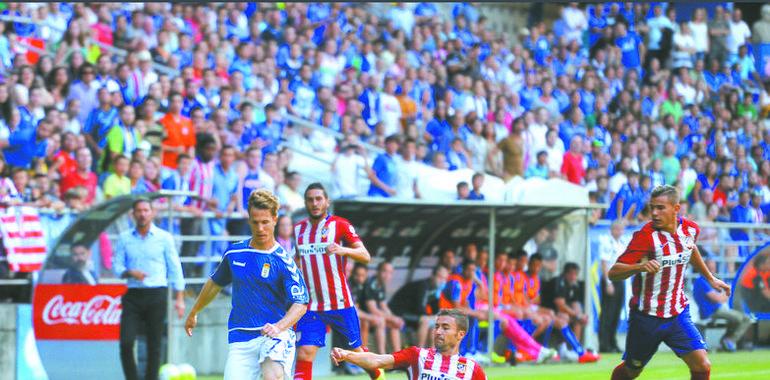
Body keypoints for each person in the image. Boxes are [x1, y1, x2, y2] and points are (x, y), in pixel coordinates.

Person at [609, 185, 731, 380]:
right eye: (652, 208)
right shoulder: (645, 237)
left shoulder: (690, 229)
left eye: (660, 208)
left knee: (702, 364)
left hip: (677, 313)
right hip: (646, 317)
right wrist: (639, 267)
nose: (654, 213)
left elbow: (690, 249)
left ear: (676, 208)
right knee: (632, 370)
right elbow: (613, 273)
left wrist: (710, 277)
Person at [185, 189, 308, 380]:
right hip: (240, 337)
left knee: (271, 376)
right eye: (255, 222)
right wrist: (194, 311)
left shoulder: (284, 261)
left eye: (265, 222)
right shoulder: (234, 253)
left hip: (275, 335)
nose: (260, 228)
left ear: (275, 219)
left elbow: (300, 304)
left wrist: (279, 327)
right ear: (249, 220)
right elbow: (214, 284)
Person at [292, 183, 383, 380]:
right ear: (305, 203)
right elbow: (297, 260)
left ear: (327, 201)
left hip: (340, 302)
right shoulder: (298, 230)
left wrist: (343, 250)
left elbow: (365, 255)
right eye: (310, 199)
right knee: (305, 353)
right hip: (311, 306)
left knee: (358, 353)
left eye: (319, 199)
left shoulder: (340, 224)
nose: (315, 203)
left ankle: (378, 375)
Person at [113, 198, 186, 380]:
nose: (143, 214)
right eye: (139, 210)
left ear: (152, 213)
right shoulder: (124, 238)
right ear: (133, 214)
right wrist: (130, 272)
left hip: (157, 293)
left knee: (155, 344)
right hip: (134, 294)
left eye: (146, 210)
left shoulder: (164, 238)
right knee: (126, 342)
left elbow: (175, 268)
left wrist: (179, 298)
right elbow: (116, 266)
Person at [331, 309, 487, 380]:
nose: (438, 331)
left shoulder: (472, 370)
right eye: (437, 326)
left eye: (445, 328)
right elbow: (376, 360)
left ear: (461, 334)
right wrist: (346, 355)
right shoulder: (417, 355)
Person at [693, 256, 753, 352]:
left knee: (745, 319)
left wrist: (725, 293)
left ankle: (728, 340)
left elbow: (720, 298)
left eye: (713, 267)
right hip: (711, 312)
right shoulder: (701, 281)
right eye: (710, 267)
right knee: (741, 318)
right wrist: (729, 290)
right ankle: (729, 341)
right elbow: (718, 299)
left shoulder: (711, 280)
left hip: (718, 310)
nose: (712, 270)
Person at [388, 265, 448, 347]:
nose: (442, 281)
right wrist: (432, 317)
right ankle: (419, 352)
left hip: (412, 314)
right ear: (433, 275)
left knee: (435, 322)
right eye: (440, 277)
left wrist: (437, 316)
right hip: (400, 313)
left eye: (444, 278)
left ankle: (432, 353)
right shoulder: (423, 286)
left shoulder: (435, 289)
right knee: (425, 321)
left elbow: (435, 309)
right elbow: (420, 309)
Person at [361, 261, 405, 354]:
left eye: (390, 273)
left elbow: (384, 306)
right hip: (364, 317)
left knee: (394, 324)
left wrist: (394, 319)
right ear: (378, 271)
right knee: (381, 321)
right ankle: (382, 356)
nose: (387, 275)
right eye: (384, 271)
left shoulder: (381, 284)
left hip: (373, 317)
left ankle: (398, 357)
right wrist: (392, 318)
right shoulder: (370, 284)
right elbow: (373, 310)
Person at [599, 220, 628, 353]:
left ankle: (613, 341)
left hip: (620, 278)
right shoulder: (606, 242)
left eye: (621, 229)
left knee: (616, 312)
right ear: (612, 230)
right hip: (610, 278)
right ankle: (604, 344)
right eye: (616, 229)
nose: (619, 232)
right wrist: (608, 283)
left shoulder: (622, 243)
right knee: (607, 313)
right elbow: (604, 264)